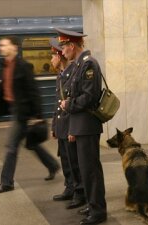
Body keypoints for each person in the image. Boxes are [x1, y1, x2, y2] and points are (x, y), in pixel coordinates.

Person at [0, 36, 60, 194]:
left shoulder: (23, 66)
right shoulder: (4, 65)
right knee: (31, 144)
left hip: (24, 114)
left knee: (11, 147)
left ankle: (6, 182)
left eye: (4, 45)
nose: (0, 47)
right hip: (16, 110)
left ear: (14, 47)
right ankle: (53, 166)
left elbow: (34, 91)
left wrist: (39, 116)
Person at [57, 29, 107, 225]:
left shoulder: (88, 64)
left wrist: (69, 105)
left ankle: (98, 211)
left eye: (63, 47)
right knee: (86, 170)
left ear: (72, 45)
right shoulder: (79, 65)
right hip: (80, 125)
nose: (62, 51)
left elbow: (89, 96)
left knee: (91, 170)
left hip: (87, 125)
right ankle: (93, 204)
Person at [49, 37, 85, 204]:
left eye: (53, 56)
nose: (51, 60)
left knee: (74, 162)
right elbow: (58, 104)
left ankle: (78, 191)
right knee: (65, 159)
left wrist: (72, 129)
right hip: (62, 125)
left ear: (59, 56)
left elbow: (71, 103)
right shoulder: (61, 75)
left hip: (69, 124)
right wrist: (54, 125)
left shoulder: (71, 73)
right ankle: (70, 187)